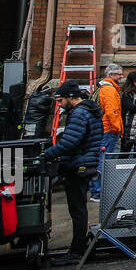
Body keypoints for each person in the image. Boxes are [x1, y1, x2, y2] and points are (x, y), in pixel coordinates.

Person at [42, 81, 103, 259]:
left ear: (70, 97)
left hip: (78, 165)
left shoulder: (79, 113)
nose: (59, 105)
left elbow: (70, 142)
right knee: (79, 209)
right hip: (85, 163)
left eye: (60, 100)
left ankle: (77, 251)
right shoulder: (88, 110)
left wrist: (46, 155)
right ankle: (79, 247)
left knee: (77, 210)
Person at [92, 63, 124, 200]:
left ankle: (96, 190)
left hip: (105, 128)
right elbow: (112, 112)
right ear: (111, 75)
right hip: (109, 130)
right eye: (119, 74)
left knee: (101, 159)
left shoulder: (104, 88)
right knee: (104, 160)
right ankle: (98, 191)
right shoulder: (110, 91)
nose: (121, 76)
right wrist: (118, 129)